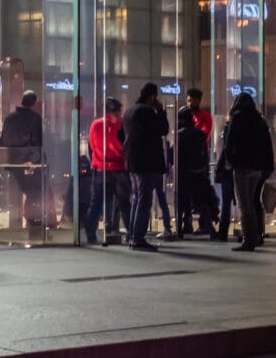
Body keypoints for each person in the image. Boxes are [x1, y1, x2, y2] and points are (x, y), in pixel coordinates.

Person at [122, 83, 170, 252]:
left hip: (133, 162)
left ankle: (132, 235)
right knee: (144, 200)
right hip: (147, 162)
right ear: (152, 96)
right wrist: (161, 111)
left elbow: (121, 135)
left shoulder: (128, 111)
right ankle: (137, 238)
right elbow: (163, 129)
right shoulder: (147, 112)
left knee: (137, 198)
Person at [224, 92, 273, 251]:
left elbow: (229, 144)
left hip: (241, 166)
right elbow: (267, 145)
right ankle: (255, 236)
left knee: (244, 205)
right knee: (251, 203)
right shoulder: (260, 120)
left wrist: (231, 161)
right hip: (257, 167)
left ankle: (248, 239)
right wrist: (267, 166)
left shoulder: (237, 118)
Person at [0, 90, 44, 228]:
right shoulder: (35, 118)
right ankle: (31, 221)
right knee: (33, 192)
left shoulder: (10, 118)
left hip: (11, 162)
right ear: (33, 103)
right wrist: (33, 160)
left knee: (15, 195)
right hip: (26, 162)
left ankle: (15, 223)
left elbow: (3, 140)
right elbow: (36, 142)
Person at [84, 98, 131, 244]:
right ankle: (132, 233)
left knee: (96, 203)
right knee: (124, 204)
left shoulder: (96, 124)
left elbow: (91, 145)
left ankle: (90, 234)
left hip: (100, 168)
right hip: (118, 169)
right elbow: (126, 146)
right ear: (117, 110)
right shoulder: (123, 125)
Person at [177, 99, 216, 236]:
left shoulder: (179, 135)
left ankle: (183, 225)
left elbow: (177, 157)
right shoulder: (200, 135)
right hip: (198, 172)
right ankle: (207, 225)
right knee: (201, 200)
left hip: (183, 172)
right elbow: (204, 154)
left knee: (183, 200)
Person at [213, 118, 235, 242]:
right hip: (246, 167)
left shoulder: (229, 127)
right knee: (247, 203)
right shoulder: (255, 124)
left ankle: (223, 232)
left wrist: (218, 168)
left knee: (226, 203)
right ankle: (250, 233)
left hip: (229, 170)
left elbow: (225, 150)